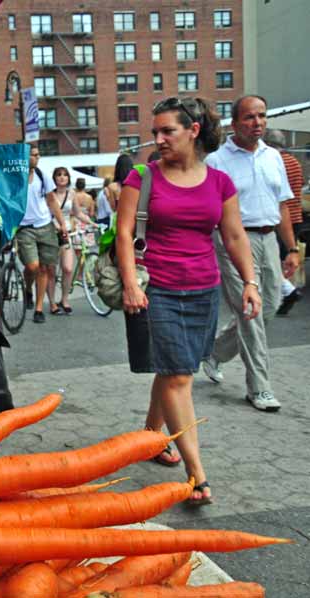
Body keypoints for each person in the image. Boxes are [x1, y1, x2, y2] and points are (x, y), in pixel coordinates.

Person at [117, 96, 260, 505]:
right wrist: (131, 282)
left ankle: (150, 435)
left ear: (193, 131)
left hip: (203, 289)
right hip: (157, 287)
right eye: (155, 132)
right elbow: (125, 233)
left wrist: (250, 282)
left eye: (168, 131)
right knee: (180, 376)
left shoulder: (219, 182)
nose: (158, 139)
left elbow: (234, 236)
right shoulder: (142, 178)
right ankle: (197, 475)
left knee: (176, 368)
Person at [201, 96, 300, 412]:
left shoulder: (274, 157)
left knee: (269, 306)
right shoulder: (217, 160)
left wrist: (292, 248)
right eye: (249, 117)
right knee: (251, 312)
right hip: (233, 241)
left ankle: (215, 351)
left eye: (261, 116)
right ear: (234, 124)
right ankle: (260, 388)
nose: (257, 123)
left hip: (269, 239)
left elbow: (283, 205)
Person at [18, 147, 66, 323]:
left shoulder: (42, 175)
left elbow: (52, 200)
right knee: (32, 266)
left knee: (45, 268)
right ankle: (28, 289)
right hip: (25, 228)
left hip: (45, 225)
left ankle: (39, 308)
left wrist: (62, 224)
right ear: (25, 156)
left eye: (38, 155)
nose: (37, 158)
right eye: (34, 155)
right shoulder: (18, 176)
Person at [263, 129, 304, 316]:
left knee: (274, 261)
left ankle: (286, 293)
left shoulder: (275, 161)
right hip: (296, 215)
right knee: (283, 259)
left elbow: (277, 195)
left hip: (282, 218)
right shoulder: (294, 162)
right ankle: (287, 291)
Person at [46, 171, 92, 314]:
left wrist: (92, 223)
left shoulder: (72, 194)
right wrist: (57, 226)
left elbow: (78, 213)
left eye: (65, 175)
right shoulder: (49, 195)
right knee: (51, 271)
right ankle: (53, 302)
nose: (62, 177)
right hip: (51, 233)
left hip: (67, 235)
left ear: (68, 178)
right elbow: (45, 214)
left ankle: (65, 299)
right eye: (59, 175)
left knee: (68, 268)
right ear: (54, 178)